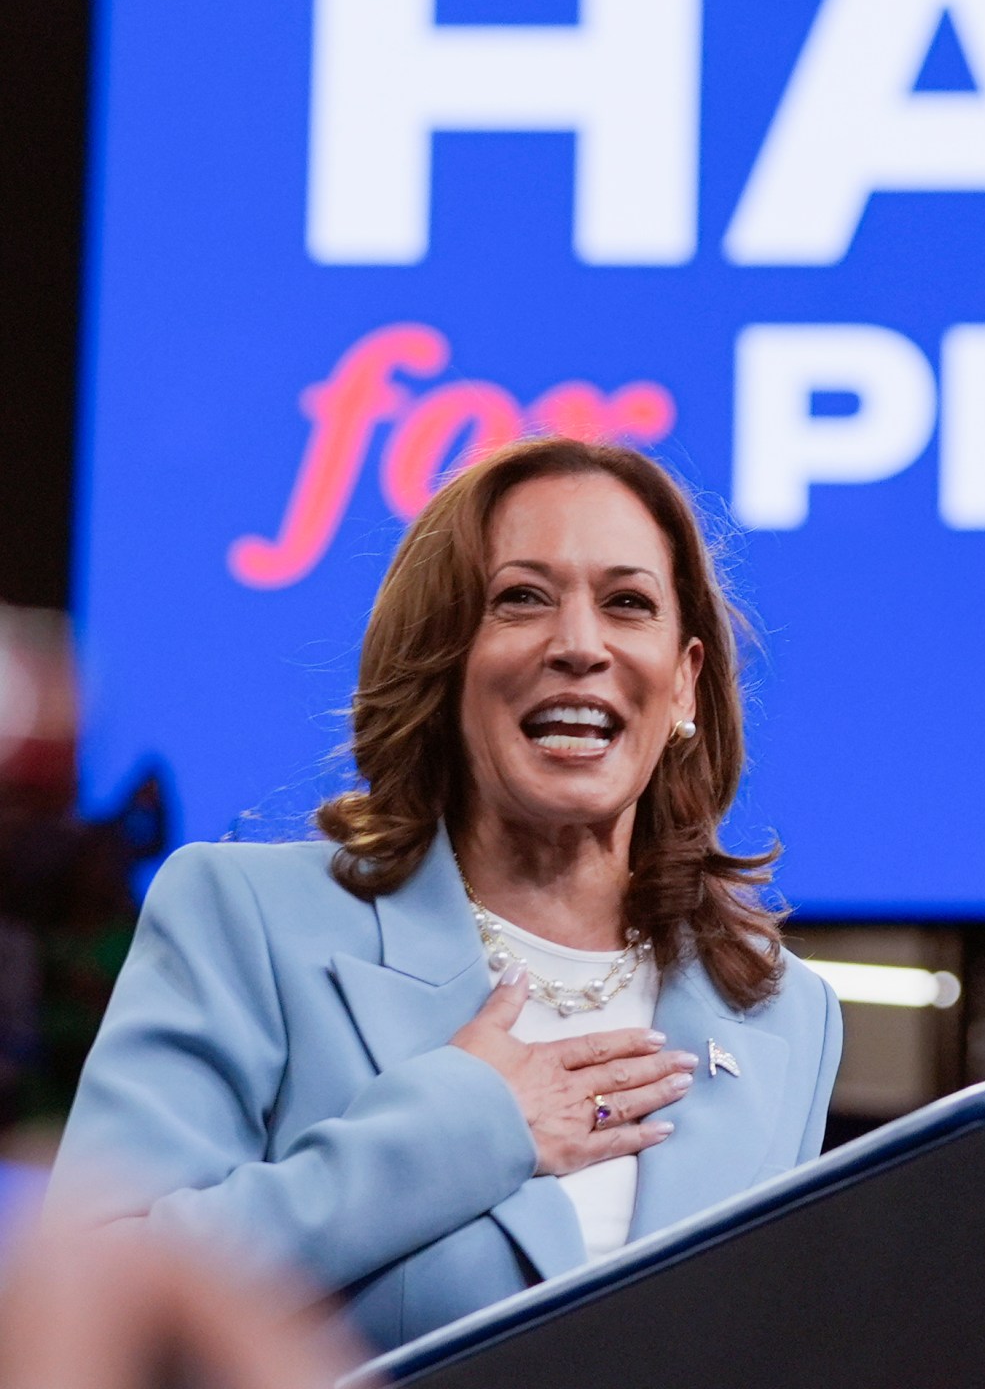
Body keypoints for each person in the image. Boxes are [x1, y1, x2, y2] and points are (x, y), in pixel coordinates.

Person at [45, 437, 844, 1352]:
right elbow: (97, 1302)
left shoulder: (784, 1016)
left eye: (627, 604)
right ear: (443, 660)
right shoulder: (247, 920)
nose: (579, 645)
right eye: (521, 599)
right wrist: (466, 1126)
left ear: (684, 683)